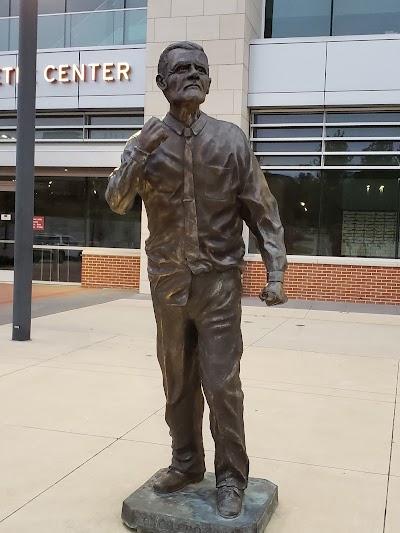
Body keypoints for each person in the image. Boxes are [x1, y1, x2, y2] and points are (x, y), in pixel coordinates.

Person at [106, 41, 287, 519]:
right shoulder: (143, 144)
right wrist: (137, 156)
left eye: (199, 69)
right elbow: (117, 202)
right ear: (162, 84)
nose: (191, 75)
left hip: (220, 285)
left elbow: (262, 211)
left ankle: (231, 478)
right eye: (179, 69)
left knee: (223, 384)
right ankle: (186, 463)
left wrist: (276, 270)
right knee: (177, 382)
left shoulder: (231, 140)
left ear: (209, 82)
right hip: (168, 285)